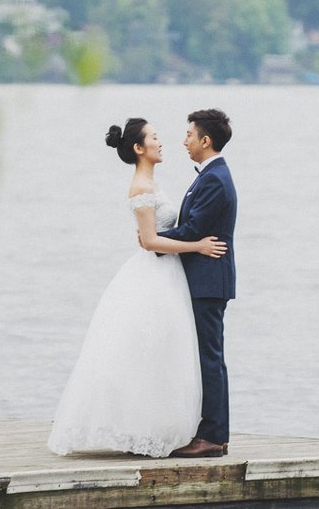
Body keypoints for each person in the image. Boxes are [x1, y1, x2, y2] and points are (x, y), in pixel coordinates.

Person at [47, 118, 228, 458]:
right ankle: (141, 427)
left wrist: (175, 240)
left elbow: (158, 235)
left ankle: (162, 426)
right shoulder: (141, 186)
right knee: (145, 350)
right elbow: (150, 241)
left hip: (169, 274)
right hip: (154, 275)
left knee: (165, 353)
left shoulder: (153, 183)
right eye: (154, 137)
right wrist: (198, 246)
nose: (162, 142)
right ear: (139, 148)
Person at [157, 108, 237, 459]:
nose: (184, 141)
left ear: (206, 140)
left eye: (189, 135)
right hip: (203, 279)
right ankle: (210, 432)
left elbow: (192, 230)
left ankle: (213, 436)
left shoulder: (215, 179)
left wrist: (153, 241)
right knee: (207, 356)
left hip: (208, 280)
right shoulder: (210, 176)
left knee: (210, 359)